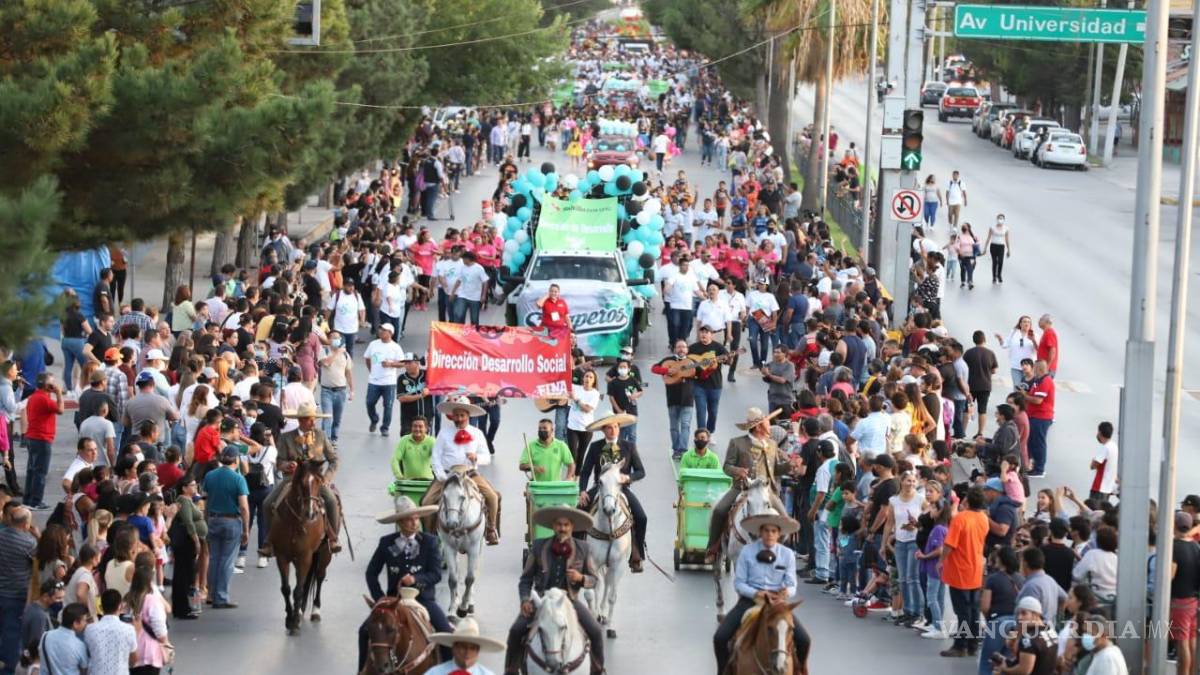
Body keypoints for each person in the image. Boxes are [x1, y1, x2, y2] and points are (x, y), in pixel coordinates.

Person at [503, 507, 603, 675]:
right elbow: (525, 580)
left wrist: (580, 578)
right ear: (553, 526)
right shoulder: (538, 546)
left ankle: (599, 669)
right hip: (542, 600)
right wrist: (525, 600)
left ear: (572, 526)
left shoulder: (583, 548)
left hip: (569, 601)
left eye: (566, 524)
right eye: (558, 524)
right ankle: (511, 670)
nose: (562, 528)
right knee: (516, 630)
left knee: (596, 631)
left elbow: (594, 579)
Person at [358, 497, 453, 673]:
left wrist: (416, 580)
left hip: (424, 599)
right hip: (394, 600)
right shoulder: (386, 543)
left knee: (446, 634)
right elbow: (371, 573)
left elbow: (436, 574)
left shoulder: (430, 542)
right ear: (400, 522)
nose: (414, 522)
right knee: (364, 631)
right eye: (409, 519)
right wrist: (381, 600)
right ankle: (362, 670)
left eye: (416, 518)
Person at [712, 513, 810, 674]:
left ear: (779, 534)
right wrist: (757, 593)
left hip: (777, 603)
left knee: (804, 640)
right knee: (720, 637)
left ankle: (802, 669)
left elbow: (792, 584)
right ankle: (722, 671)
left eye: (773, 531)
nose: (770, 534)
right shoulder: (747, 552)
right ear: (760, 532)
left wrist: (786, 592)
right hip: (751, 600)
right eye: (766, 530)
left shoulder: (788, 555)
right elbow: (739, 583)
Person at [705, 407, 793, 563]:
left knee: (785, 520)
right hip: (742, 488)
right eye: (766, 421)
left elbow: (776, 469)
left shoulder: (771, 444)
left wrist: (790, 465)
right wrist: (738, 470)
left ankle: (775, 550)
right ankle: (713, 548)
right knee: (719, 510)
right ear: (759, 426)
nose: (769, 423)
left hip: (766, 491)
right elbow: (727, 466)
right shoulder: (737, 443)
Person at [258, 402, 341, 555]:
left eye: (314, 419)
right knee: (268, 503)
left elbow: (334, 460)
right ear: (301, 420)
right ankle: (269, 541)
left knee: (331, 500)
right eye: (310, 419)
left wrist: (327, 478)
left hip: (315, 481)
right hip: (292, 481)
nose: (313, 422)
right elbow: (278, 461)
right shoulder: (286, 438)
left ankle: (333, 538)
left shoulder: (320, 435)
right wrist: (286, 465)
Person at [421, 397, 501, 546]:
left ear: (468, 416)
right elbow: (436, 457)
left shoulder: (477, 433)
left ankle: (491, 529)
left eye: (462, 415)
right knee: (426, 501)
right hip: (447, 473)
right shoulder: (444, 433)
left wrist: (476, 457)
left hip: (469, 473)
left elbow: (487, 457)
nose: (459, 419)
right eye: (456, 415)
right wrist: (441, 476)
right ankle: (429, 535)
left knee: (492, 496)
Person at [578, 414, 647, 572]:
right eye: (609, 427)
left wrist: (628, 477)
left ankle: (636, 555)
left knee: (641, 517)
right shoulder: (595, 447)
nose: (613, 430)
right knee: (578, 512)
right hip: (601, 487)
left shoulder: (629, 446)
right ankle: (578, 555)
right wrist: (582, 491)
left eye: (615, 426)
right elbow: (586, 471)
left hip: (621, 488)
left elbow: (641, 471)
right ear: (603, 430)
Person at [941, 486, 990, 658]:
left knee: (962, 610)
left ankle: (960, 645)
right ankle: (972, 644)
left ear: (967, 500)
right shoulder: (983, 518)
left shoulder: (960, 519)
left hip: (959, 570)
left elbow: (949, 544)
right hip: (975, 568)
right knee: (973, 609)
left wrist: (940, 562)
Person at [202, 446, 250, 608]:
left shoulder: (210, 475)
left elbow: (206, 501)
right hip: (231, 521)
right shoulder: (238, 479)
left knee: (214, 558)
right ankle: (221, 597)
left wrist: (205, 520)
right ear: (236, 460)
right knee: (227, 560)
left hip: (213, 519)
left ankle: (211, 593)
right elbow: (243, 506)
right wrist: (246, 529)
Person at [25, 372, 65, 510]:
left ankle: (28, 499)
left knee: (32, 470)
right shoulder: (44, 399)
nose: (54, 386)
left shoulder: (34, 397)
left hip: (32, 437)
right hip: (42, 438)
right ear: (47, 385)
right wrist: (59, 393)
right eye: (52, 383)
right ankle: (36, 501)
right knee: (40, 471)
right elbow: (60, 410)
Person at [650, 340, 695, 460]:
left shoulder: (692, 362)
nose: (681, 349)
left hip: (688, 398)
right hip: (672, 398)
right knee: (674, 427)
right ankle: (676, 449)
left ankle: (683, 450)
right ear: (675, 349)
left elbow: (703, 373)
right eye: (679, 347)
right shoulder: (668, 360)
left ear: (687, 350)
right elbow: (654, 368)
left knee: (685, 425)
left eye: (684, 347)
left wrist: (709, 365)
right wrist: (666, 371)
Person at [992, 596, 1056, 675]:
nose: (1019, 617)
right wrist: (1012, 648)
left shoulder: (1028, 639)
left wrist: (1004, 669)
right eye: (1018, 613)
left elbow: (1024, 671)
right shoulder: (1051, 631)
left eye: (1024, 613)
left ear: (1035, 614)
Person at [363, 322, 405, 436]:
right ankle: (374, 419)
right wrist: (371, 370)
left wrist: (390, 364)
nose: (381, 331)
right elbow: (367, 358)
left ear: (390, 333)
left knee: (388, 405)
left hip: (389, 382)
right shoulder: (373, 344)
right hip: (374, 381)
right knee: (369, 402)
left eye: (384, 330)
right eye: (380, 329)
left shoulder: (395, 347)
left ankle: (385, 427)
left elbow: (402, 364)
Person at [83, 590, 137, 675]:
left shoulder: (90, 629)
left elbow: (87, 654)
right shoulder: (129, 629)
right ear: (120, 606)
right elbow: (134, 659)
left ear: (101, 607)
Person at [689, 326, 730, 433]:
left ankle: (710, 432)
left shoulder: (718, 347)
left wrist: (727, 359)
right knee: (701, 412)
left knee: (713, 412)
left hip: (715, 385)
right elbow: (685, 363)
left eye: (706, 332)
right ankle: (701, 434)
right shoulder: (692, 348)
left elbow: (729, 361)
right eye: (701, 332)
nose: (703, 334)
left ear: (711, 334)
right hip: (698, 385)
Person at [317, 330, 353, 443]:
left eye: (337, 338)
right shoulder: (324, 351)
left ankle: (334, 438)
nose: (335, 339)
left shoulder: (345, 355)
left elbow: (348, 373)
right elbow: (326, 363)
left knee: (337, 418)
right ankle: (325, 440)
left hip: (341, 390)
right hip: (326, 390)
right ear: (329, 339)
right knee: (327, 417)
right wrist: (337, 352)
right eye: (332, 337)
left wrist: (352, 389)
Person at [1022, 360, 1055, 478]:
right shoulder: (1038, 380)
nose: (1033, 370)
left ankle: (1039, 468)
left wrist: (1024, 395)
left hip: (1041, 416)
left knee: (1038, 443)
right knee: (1031, 441)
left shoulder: (1046, 381)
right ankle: (1030, 464)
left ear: (1040, 369)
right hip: (1034, 415)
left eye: (1034, 368)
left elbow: (1037, 400)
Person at [38, 603, 89, 675]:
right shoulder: (79, 646)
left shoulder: (45, 636)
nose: (86, 623)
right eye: (85, 620)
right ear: (76, 623)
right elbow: (84, 670)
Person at [396, 353, 434, 437]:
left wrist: (430, 389)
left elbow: (439, 385)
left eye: (409, 363)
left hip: (425, 418)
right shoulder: (402, 378)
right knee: (407, 444)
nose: (407, 365)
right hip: (408, 420)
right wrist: (420, 395)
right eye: (405, 363)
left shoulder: (427, 375)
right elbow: (402, 398)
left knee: (425, 445)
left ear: (417, 363)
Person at [605, 359, 642, 444]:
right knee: (620, 434)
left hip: (632, 411)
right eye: (620, 367)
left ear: (629, 369)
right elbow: (611, 397)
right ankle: (621, 453)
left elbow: (640, 391)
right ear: (617, 369)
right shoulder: (613, 382)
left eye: (624, 367)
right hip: (618, 413)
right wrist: (618, 410)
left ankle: (632, 453)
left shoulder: (633, 380)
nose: (622, 369)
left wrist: (635, 395)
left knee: (632, 434)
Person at [391, 416, 435, 481]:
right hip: (408, 482)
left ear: (426, 429)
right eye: (415, 426)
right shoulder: (404, 441)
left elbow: (440, 459)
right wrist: (399, 476)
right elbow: (395, 459)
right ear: (411, 428)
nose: (417, 429)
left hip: (428, 482)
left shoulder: (431, 441)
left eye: (420, 426)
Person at [1089, 421, 1118, 502]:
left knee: (1094, 511)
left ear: (1100, 433)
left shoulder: (1105, 448)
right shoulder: (1114, 446)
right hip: (1108, 487)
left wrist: (1093, 460)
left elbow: (1093, 466)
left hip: (1100, 487)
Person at [983, 214, 1012, 284]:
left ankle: (999, 275)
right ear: (997, 219)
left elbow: (1007, 239)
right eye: (999, 218)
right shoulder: (992, 228)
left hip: (1001, 246)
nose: (1000, 220)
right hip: (993, 246)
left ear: (1004, 220)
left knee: (1000, 262)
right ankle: (994, 277)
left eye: (1002, 218)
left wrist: (1009, 250)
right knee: (994, 262)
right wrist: (985, 248)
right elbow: (988, 238)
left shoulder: (1006, 228)